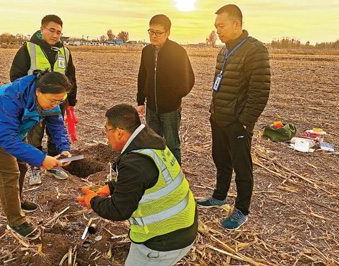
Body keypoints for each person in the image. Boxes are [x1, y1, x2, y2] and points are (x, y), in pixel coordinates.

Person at [77, 104, 197, 266]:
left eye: (107, 131)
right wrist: (111, 187)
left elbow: (119, 210)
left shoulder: (135, 162)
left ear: (119, 132)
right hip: (182, 225)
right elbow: (143, 178)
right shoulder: (149, 142)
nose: (106, 137)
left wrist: (93, 201)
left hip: (163, 241)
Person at [197, 4, 271, 230]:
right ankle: (219, 196)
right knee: (220, 158)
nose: (217, 31)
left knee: (242, 166)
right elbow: (219, 86)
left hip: (237, 123)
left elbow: (260, 91)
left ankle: (241, 210)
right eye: (215, 26)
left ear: (237, 24)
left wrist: (244, 122)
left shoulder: (255, 50)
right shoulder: (224, 50)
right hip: (218, 118)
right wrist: (213, 112)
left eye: (221, 26)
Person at [0, 71, 72, 239]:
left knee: (22, 165)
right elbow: (6, 139)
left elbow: (57, 126)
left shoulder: (51, 100)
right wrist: (41, 159)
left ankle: (17, 201)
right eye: (53, 100)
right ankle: (15, 221)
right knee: (9, 175)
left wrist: (64, 148)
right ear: (38, 91)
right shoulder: (11, 97)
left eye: (60, 100)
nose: (55, 104)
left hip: (16, 132)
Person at [10, 14, 77, 185]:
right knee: (35, 135)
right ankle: (35, 167)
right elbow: (16, 76)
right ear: (42, 29)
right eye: (52, 30)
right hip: (34, 104)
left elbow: (71, 78)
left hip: (57, 103)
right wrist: (31, 95)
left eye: (59, 32)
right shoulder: (28, 49)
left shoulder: (65, 52)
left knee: (56, 134)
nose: (55, 35)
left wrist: (71, 102)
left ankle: (54, 166)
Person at [137, 14, 195, 165]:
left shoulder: (178, 52)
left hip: (170, 108)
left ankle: (175, 179)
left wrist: (174, 96)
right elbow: (142, 76)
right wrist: (141, 101)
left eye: (158, 33)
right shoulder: (146, 52)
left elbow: (189, 78)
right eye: (151, 32)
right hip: (151, 108)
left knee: (172, 145)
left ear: (168, 32)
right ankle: (156, 175)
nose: (154, 36)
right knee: (153, 144)